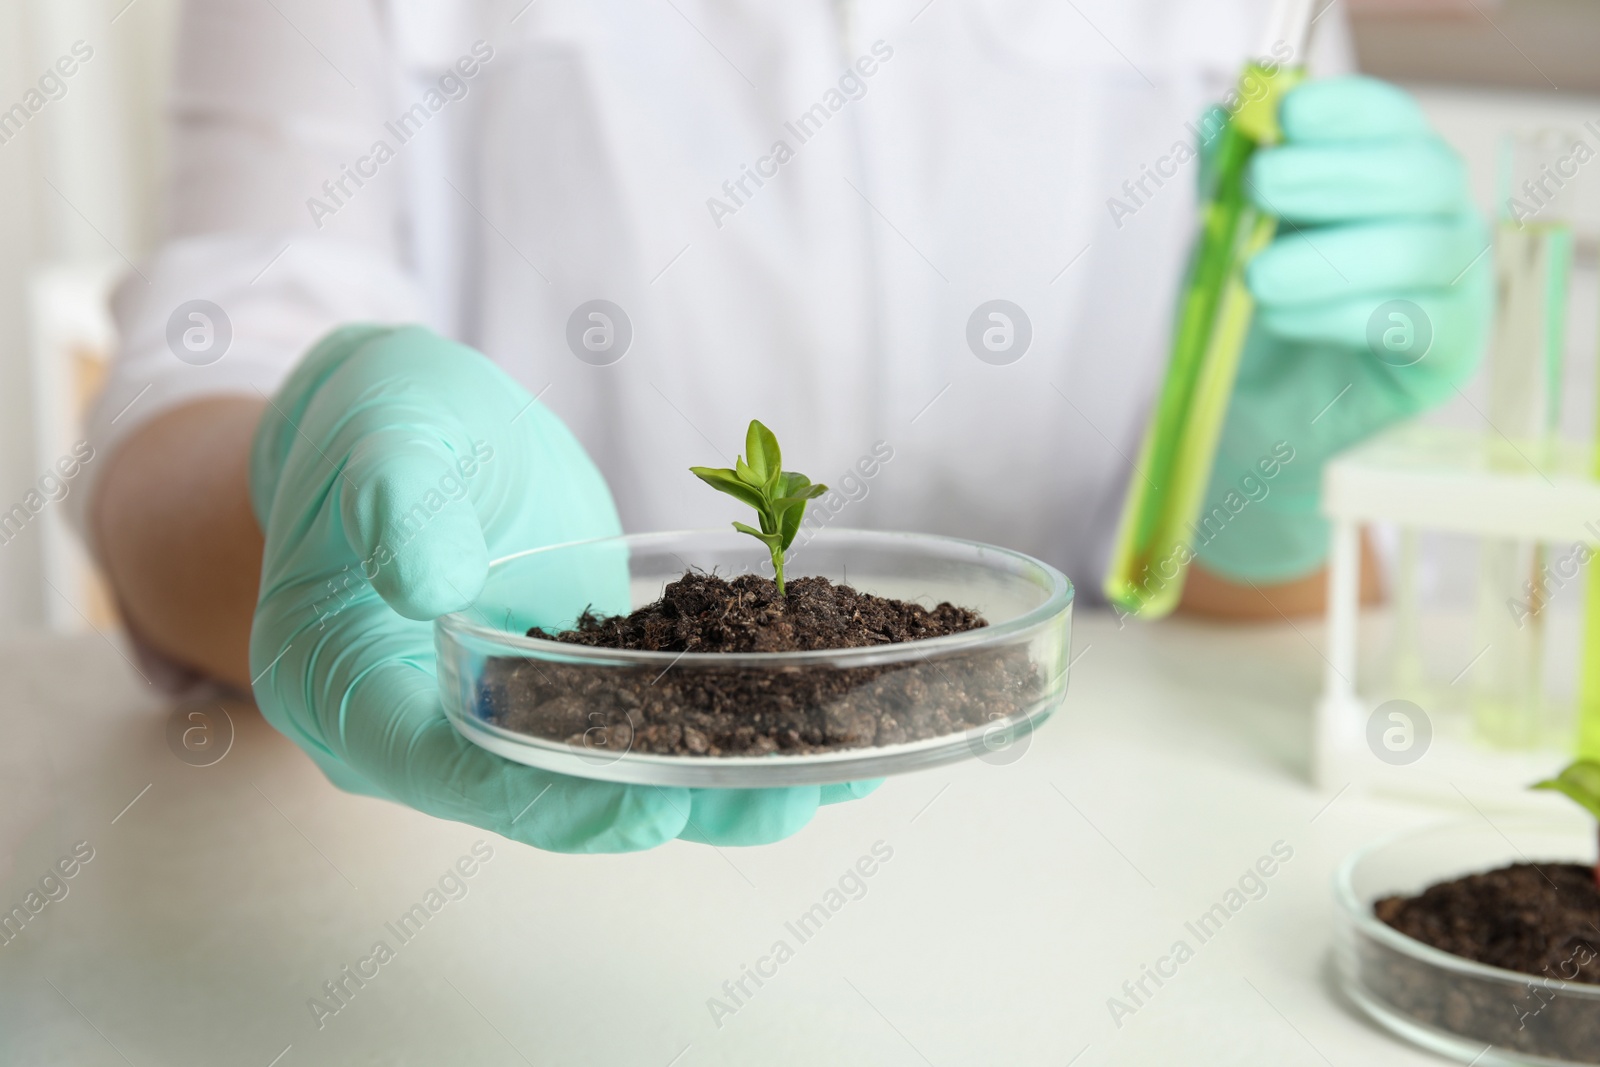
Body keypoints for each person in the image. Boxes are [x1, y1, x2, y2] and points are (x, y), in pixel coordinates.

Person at [83, 0, 1488, 852]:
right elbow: (192, 389)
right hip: (503, 869)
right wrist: (307, 462)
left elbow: (1267, 613)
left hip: (1079, 861)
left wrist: (1277, 473)